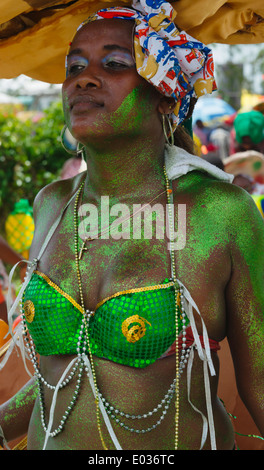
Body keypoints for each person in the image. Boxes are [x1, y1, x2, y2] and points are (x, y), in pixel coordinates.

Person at [0, 0, 264, 451]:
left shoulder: (220, 213)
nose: (83, 77)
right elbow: (67, 374)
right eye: (75, 65)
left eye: (116, 63)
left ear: (165, 92)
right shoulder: (53, 205)